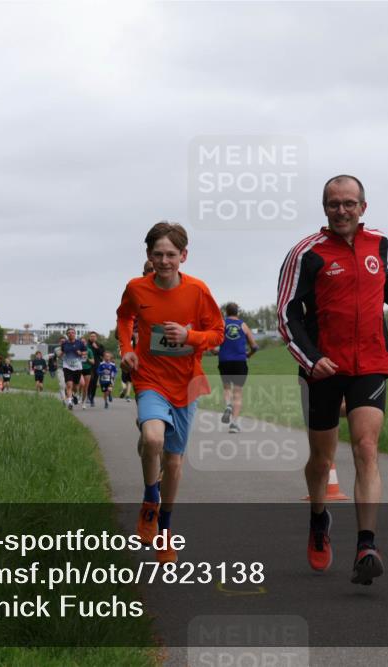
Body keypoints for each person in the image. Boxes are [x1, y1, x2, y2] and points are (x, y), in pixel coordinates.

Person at [277, 174, 388, 586]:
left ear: (363, 207)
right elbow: (287, 315)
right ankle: (319, 518)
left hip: (371, 362)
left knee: (366, 447)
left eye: (349, 203)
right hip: (323, 368)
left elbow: (385, 284)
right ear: (324, 208)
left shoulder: (377, 242)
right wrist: (312, 359)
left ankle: (367, 545)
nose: (341, 210)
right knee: (321, 460)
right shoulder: (306, 253)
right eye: (334, 204)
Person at [117, 222, 223, 563]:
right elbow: (124, 318)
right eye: (158, 254)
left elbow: (217, 333)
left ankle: (164, 530)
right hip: (149, 378)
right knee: (152, 439)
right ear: (149, 255)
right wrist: (126, 350)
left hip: (186, 382)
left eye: (171, 255)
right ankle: (151, 500)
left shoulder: (198, 290)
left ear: (183, 256)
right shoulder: (136, 288)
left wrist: (190, 337)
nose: (164, 261)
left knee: (174, 462)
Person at [218, 302, 259, 434]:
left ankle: (228, 405)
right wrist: (249, 355)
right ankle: (234, 424)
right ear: (237, 312)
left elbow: (213, 345)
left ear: (226, 312)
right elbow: (254, 346)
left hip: (224, 361)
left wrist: (217, 351)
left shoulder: (221, 324)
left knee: (226, 388)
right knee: (238, 393)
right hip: (240, 362)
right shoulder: (243, 325)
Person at [120, 260, 155, 401]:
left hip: (168, 361)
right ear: (144, 273)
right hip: (142, 358)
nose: (154, 272)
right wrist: (131, 337)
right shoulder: (136, 294)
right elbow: (121, 326)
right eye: (150, 269)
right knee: (145, 397)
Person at [60, 329, 86, 409]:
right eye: (69, 333)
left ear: (75, 334)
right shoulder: (64, 344)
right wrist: (60, 356)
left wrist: (81, 353)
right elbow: (62, 352)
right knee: (69, 385)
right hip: (67, 367)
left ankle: (74, 394)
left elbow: (85, 352)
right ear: (67, 335)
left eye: (72, 333)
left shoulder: (80, 343)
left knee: (75, 387)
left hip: (77, 367)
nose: (71, 334)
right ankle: (70, 402)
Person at [86, 332, 107, 407]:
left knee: (94, 382)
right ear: (89, 337)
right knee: (90, 381)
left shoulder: (100, 345)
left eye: (94, 336)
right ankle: (88, 395)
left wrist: (96, 348)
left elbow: (103, 354)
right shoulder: (86, 345)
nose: (93, 337)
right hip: (88, 365)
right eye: (91, 336)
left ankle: (92, 397)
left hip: (97, 365)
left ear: (96, 337)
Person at [79, 338, 94, 409]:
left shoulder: (89, 350)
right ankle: (78, 395)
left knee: (85, 387)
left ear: (86, 343)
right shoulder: (77, 350)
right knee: (81, 384)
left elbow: (93, 362)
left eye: (84, 342)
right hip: (78, 369)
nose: (83, 343)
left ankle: (83, 402)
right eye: (81, 342)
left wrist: (87, 358)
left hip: (87, 369)